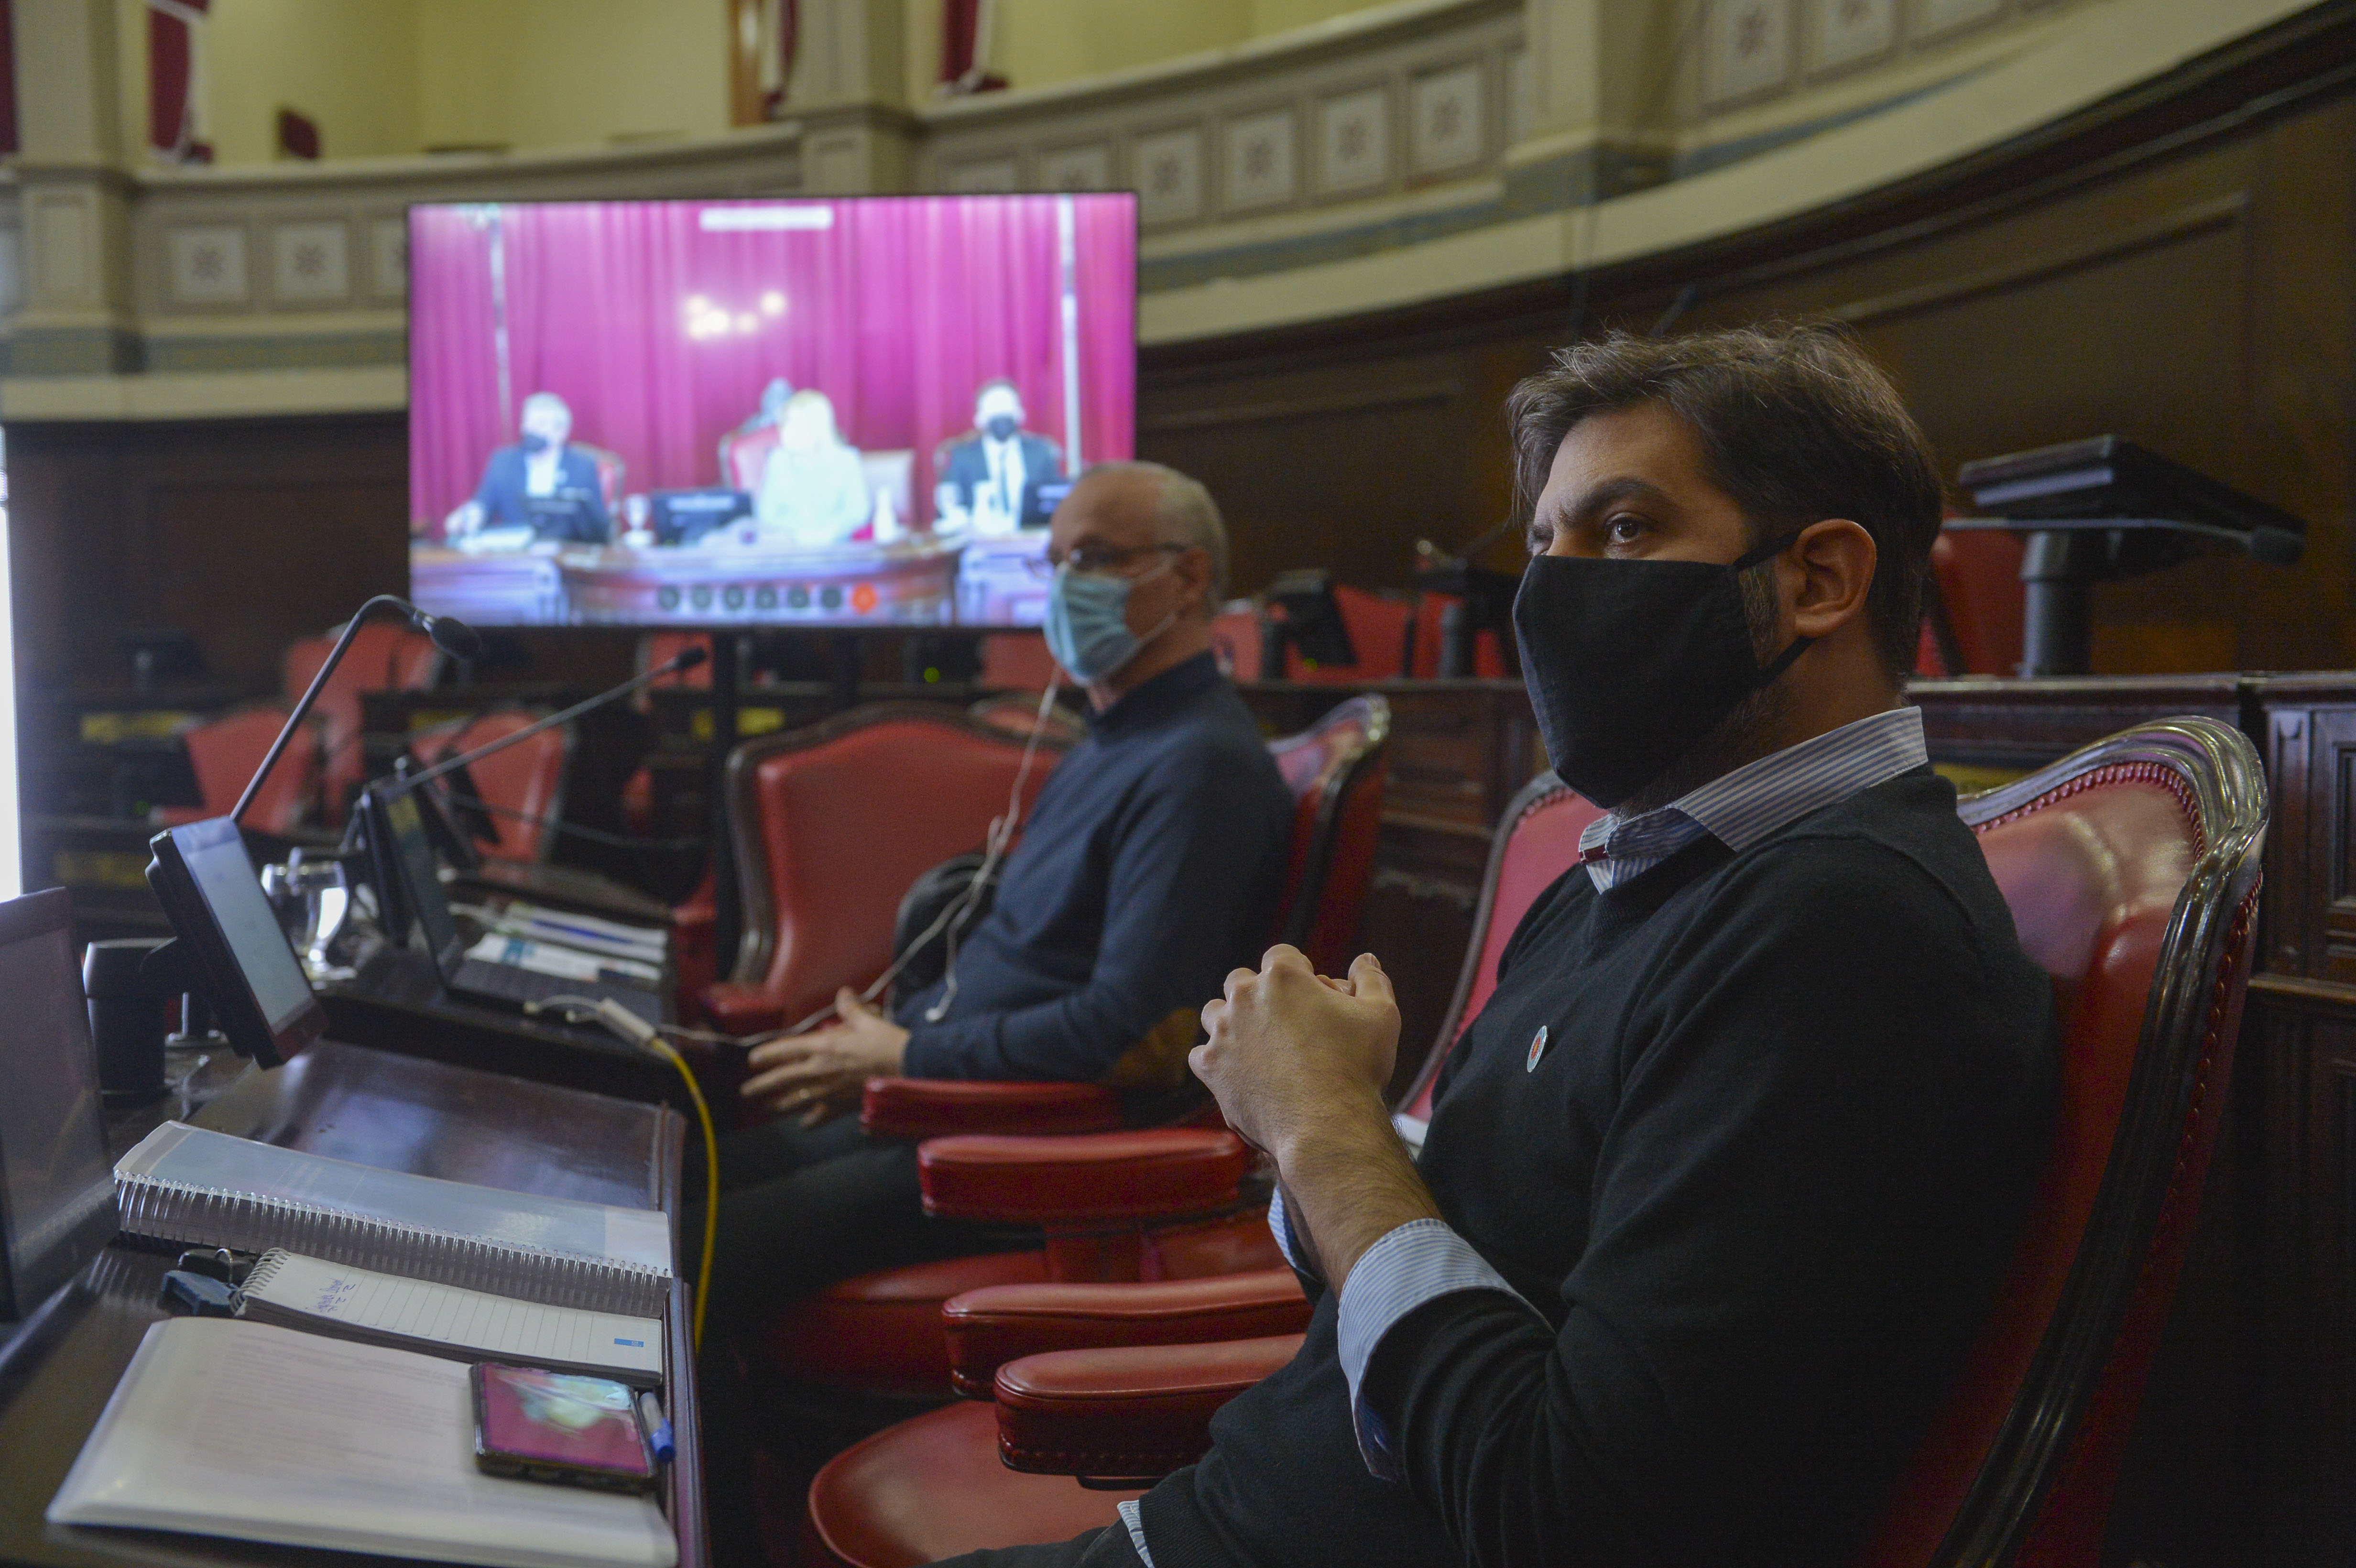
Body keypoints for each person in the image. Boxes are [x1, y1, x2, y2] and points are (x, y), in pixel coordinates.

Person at [935, 324, 2061, 1567]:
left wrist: (1323, 1126)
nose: (1551, 595)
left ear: (1820, 579)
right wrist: (1328, 1130)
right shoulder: (1630, 872)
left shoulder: (1842, 934)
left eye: (1622, 531)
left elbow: (1563, 1515)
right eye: (1543, 544)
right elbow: (1448, 1272)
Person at [700, 461, 1297, 1559]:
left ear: (1187, 578)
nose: (1062, 585)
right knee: (677, 1166)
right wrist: (897, 1049)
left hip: (1030, 1148)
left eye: (1092, 559)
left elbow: (1127, 1033)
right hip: (948, 1103)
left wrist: (907, 1048)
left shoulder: (1201, 763)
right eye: (1054, 560)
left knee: (695, 1241)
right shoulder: (1112, 737)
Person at [443, 391, 612, 546]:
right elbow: (482, 505)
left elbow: (599, 527)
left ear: (561, 432)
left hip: (566, 555)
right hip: (516, 557)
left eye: (541, 424)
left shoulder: (582, 466)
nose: (531, 429)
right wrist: (467, 517)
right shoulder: (504, 462)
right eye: (528, 422)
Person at [937, 380, 1065, 534]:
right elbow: (950, 506)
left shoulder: (1041, 453)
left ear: (1020, 414)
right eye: (994, 410)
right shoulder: (962, 457)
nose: (1002, 416)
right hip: (982, 539)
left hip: (1031, 535)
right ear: (979, 419)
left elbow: (1055, 502)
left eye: (1007, 408)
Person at [753, 390, 871, 548]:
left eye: (796, 424)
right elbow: (766, 514)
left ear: (818, 428)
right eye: (786, 423)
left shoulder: (847, 460)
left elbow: (858, 512)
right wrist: (799, 533)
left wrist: (827, 533)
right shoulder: (777, 461)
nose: (787, 431)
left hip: (836, 547)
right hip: (789, 547)